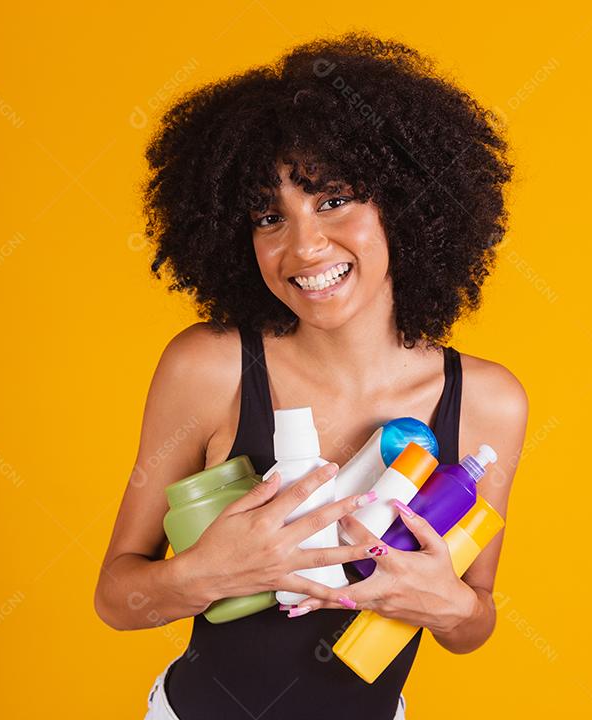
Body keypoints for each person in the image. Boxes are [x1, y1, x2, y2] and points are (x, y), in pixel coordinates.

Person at [95, 31, 529, 720]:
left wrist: (445, 605)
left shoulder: (487, 403)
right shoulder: (209, 369)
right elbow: (117, 598)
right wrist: (203, 575)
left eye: (333, 201)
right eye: (271, 216)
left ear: (407, 206)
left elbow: (474, 621)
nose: (304, 245)